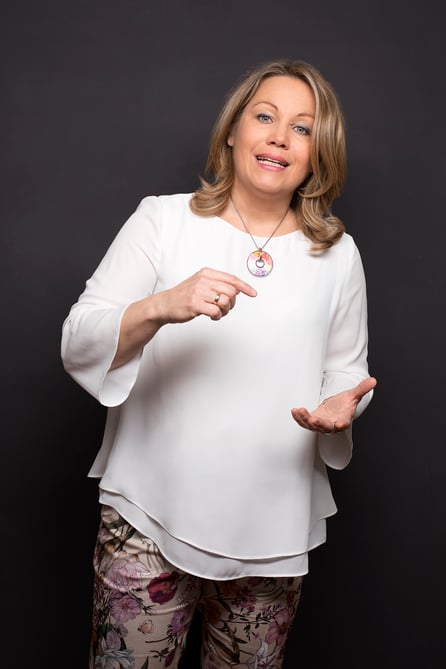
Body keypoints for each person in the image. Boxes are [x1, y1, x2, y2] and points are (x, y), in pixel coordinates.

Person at [61, 58, 377, 669]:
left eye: (302, 128)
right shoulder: (162, 219)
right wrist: (162, 305)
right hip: (148, 517)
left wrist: (344, 407)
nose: (280, 137)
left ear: (318, 153)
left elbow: (346, 372)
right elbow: (78, 340)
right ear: (233, 130)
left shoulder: (338, 254)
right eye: (265, 117)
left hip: (273, 528)